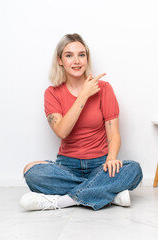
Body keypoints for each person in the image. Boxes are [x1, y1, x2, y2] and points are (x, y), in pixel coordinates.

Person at [20, 33, 143, 211]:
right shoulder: (52, 93)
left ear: (87, 58)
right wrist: (84, 94)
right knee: (31, 172)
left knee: (134, 169)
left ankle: (62, 201)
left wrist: (111, 158)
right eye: (69, 55)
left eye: (81, 55)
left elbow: (114, 134)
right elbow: (62, 131)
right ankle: (109, 193)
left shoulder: (104, 89)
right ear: (60, 60)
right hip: (67, 166)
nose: (76, 61)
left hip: (100, 165)